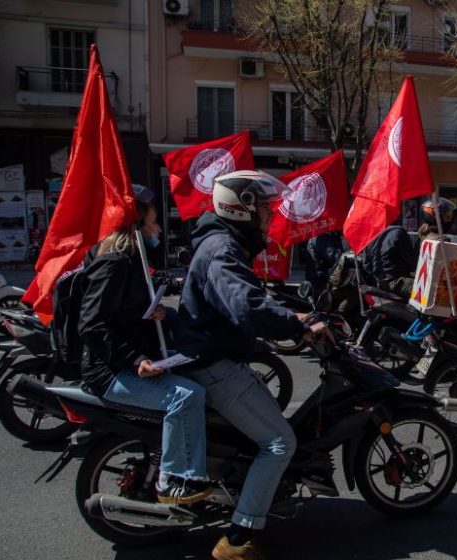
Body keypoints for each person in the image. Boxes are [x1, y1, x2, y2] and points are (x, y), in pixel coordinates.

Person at [175, 170, 330, 560]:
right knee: (280, 443)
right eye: (263, 206)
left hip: (219, 354)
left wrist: (293, 315)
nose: (270, 214)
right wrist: (298, 327)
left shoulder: (224, 244)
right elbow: (246, 305)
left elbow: (248, 299)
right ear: (241, 208)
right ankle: (238, 540)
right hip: (214, 363)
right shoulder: (222, 249)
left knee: (263, 428)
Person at [78, 185, 211, 505]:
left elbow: (124, 314)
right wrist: (137, 358)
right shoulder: (114, 262)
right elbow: (92, 325)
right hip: (109, 371)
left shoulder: (134, 259)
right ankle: (174, 480)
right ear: (136, 223)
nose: (159, 228)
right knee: (187, 397)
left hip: (132, 361)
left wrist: (154, 314)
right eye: (153, 221)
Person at [359, 224, 418, 298]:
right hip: (398, 280)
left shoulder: (370, 236)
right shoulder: (399, 231)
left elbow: (366, 265)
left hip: (380, 282)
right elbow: (412, 262)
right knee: (427, 291)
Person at [303, 230, 344, 295]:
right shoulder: (322, 238)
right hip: (320, 280)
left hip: (323, 277)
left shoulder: (329, 235)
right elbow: (335, 257)